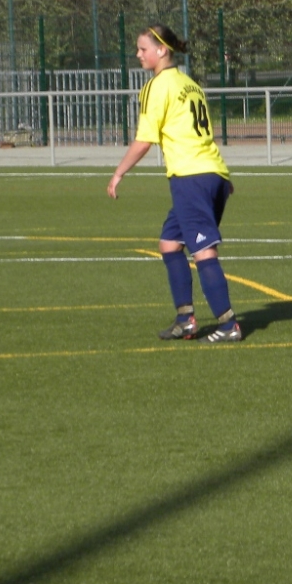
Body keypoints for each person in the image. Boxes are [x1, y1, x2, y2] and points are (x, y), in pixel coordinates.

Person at [107, 24, 241, 344]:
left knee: (203, 250)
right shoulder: (189, 83)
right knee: (169, 243)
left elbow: (144, 140)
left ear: (161, 50)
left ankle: (228, 324)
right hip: (210, 173)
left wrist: (118, 173)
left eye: (143, 49)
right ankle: (185, 319)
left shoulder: (158, 86)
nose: (138, 54)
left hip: (191, 177)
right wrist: (220, 177)